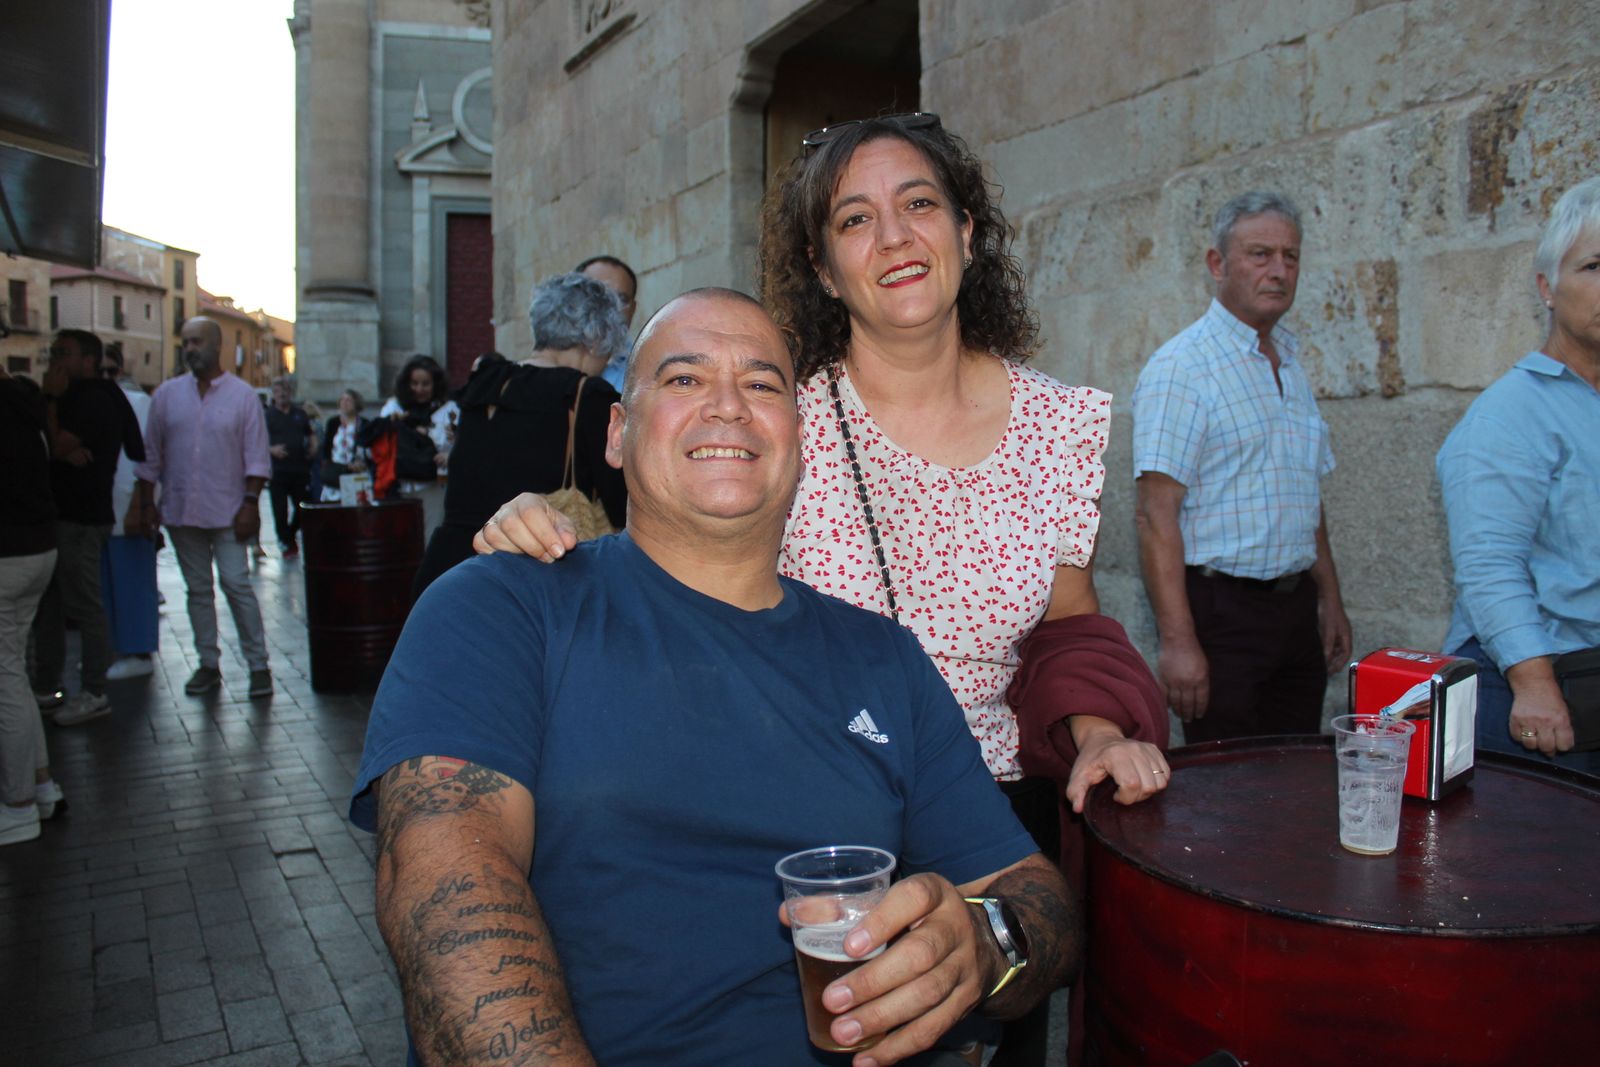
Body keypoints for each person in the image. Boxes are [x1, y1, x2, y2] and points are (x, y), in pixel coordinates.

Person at [478, 113, 1168, 1066]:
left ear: (968, 230)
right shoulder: (767, 406)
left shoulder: (1058, 423)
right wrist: (541, 524)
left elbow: (1067, 624)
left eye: (919, 203)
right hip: (818, 822)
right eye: (854, 220)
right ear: (822, 262)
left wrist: (1099, 730)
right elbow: (667, 541)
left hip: (994, 832)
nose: (894, 237)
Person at [352, 289, 1080, 1066]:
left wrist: (985, 943)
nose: (729, 405)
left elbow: (1040, 899)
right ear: (618, 432)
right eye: (684, 379)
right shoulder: (499, 606)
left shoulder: (884, 659)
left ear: (799, 440)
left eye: (763, 384)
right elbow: (447, 898)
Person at [1131, 190, 1352, 744]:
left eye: (1290, 256)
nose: (1279, 270)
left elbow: (1306, 495)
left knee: (1298, 776)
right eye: (1260, 254)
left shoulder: (1292, 364)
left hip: (1295, 611)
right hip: (1221, 615)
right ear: (1217, 264)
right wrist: (1178, 642)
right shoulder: (1183, 368)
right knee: (1227, 795)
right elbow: (1156, 516)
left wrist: (1330, 600)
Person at [1436, 176, 1600, 776]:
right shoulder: (1510, 415)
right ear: (1547, 288)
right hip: (1538, 691)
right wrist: (1535, 685)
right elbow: (1489, 564)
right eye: (1593, 265)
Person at [411, 274, 629, 598]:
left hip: (448, 569)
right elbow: (620, 503)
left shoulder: (487, 380)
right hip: (530, 577)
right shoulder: (589, 395)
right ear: (596, 338)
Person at [129, 317, 274, 699]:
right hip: (181, 510)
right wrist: (145, 504)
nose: (189, 348)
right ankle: (208, 664)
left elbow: (256, 458)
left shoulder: (242, 396)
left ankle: (259, 666)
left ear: (216, 345)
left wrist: (250, 504)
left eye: (196, 342)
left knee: (236, 584)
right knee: (197, 590)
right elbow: (150, 457)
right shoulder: (166, 396)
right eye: (185, 342)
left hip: (229, 510)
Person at [30, 329, 145, 726]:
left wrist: (48, 402)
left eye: (64, 353)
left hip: (81, 518)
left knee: (82, 605)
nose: (55, 359)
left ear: (88, 360)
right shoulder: (82, 397)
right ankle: (47, 686)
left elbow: (53, 444)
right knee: (52, 606)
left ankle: (94, 691)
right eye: (54, 351)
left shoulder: (93, 399)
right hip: (65, 516)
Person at [1, 366, 67, 845]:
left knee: (4, 679)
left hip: (7, 554)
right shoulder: (24, 402)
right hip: (38, 549)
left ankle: (19, 803)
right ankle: (41, 785)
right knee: (12, 673)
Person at [100, 344, 160, 681]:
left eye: (111, 370)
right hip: (100, 508)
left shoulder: (139, 403)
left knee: (133, 580)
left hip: (129, 506)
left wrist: (145, 502)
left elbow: (150, 459)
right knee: (106, 583)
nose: (106, 377)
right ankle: (116, 649)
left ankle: (138, 650)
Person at [368, 355, 457, 538]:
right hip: (399, 486)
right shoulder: (393, 407)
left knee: (430, 537)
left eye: (425, 384)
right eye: (414, 383)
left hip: (434, 485)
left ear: (435, 384)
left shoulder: (449, 409)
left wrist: (453, 450)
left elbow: (462, 444)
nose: (419, 389)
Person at [264, 374, 317, 558]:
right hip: (277, 470)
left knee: (303, 506)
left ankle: (290, 535)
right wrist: (271, 449)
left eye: (285, 391)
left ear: (290, 392)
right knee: (279, 510)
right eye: (278, 391)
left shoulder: (299, 414)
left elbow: (310, 433)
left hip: (299, 468)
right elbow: (257, 441)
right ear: (273, 394)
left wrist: (313, 445)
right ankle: (286, 542)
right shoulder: (267, 415)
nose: (282, 394)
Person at [577, 254, 638, 393]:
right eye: (596, 294)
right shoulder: (544, 367)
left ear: (633, 309)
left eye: (621, 299)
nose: (610, 307)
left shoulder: (646, 370)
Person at [318, 389, 370, 502]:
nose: (345, 403)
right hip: (337, 472)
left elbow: (368, 447)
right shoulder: (333, 423)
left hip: (357, 471)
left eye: (349, 400)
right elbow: (327, 448)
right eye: (343, 400)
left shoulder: (364, 424)